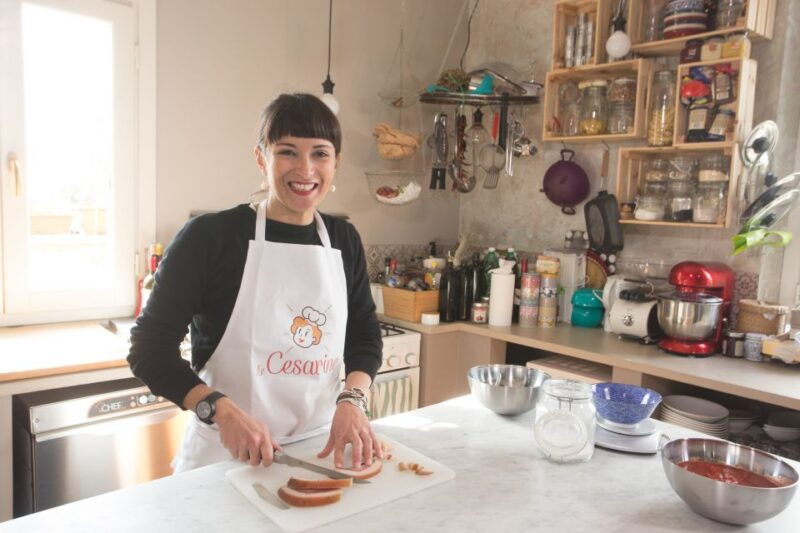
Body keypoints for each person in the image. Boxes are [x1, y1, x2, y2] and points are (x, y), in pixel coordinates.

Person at [127, 93, 383, 474]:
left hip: (319, 452)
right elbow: (149, 349)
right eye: (287, 151)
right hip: (224, 457)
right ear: (261, 158)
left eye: (320, 153)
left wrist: (352, 399)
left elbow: (363, 333)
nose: (305, 169)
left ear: (336, 163)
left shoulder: (343, 239)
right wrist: (220, 409)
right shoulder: (210, 237)